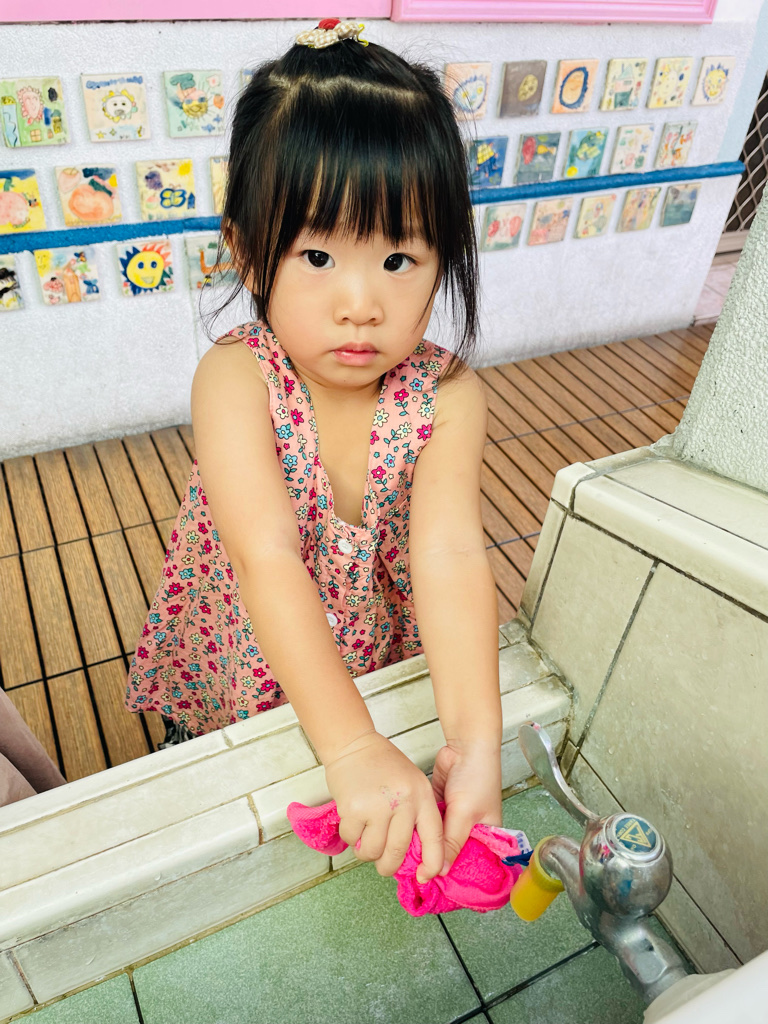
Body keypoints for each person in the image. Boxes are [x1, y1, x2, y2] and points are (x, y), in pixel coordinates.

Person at [125, 19, 502, 886]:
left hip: (370, 654)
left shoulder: (447, 397)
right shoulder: (237, 379)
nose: (360, 303)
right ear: (248, 250)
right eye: (320, 254)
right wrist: (353, 743)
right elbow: (267, 559)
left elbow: (449, 556)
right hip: (251, 645)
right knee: (239, 800)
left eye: (400, 257)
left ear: (445, 254)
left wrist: (476, 742)